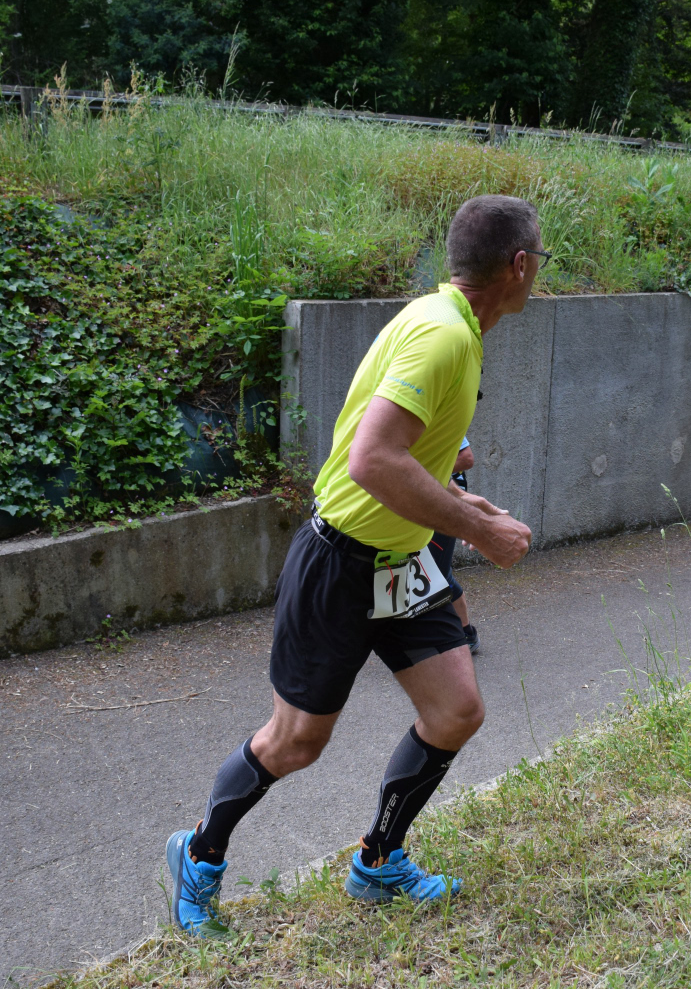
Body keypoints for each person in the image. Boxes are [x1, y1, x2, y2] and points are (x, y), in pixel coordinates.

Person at [165, 195, 544, 935]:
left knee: (456, 711)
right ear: (519, 265)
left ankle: (377, 862)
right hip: (339, 563)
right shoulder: (443, 336)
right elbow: (371, 460)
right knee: (296, 742)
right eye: (540, 263)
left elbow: (398, 451)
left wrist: (459, 498)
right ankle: (199, 854)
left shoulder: (447, 322)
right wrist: (478, 529)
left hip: (400, 562)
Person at [428, 437, 478, 655]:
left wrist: (419, 469)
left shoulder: (438, 418)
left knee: (439, 572)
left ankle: (467, 633)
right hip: (416, 497)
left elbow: (466, 458)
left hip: (444, 500)